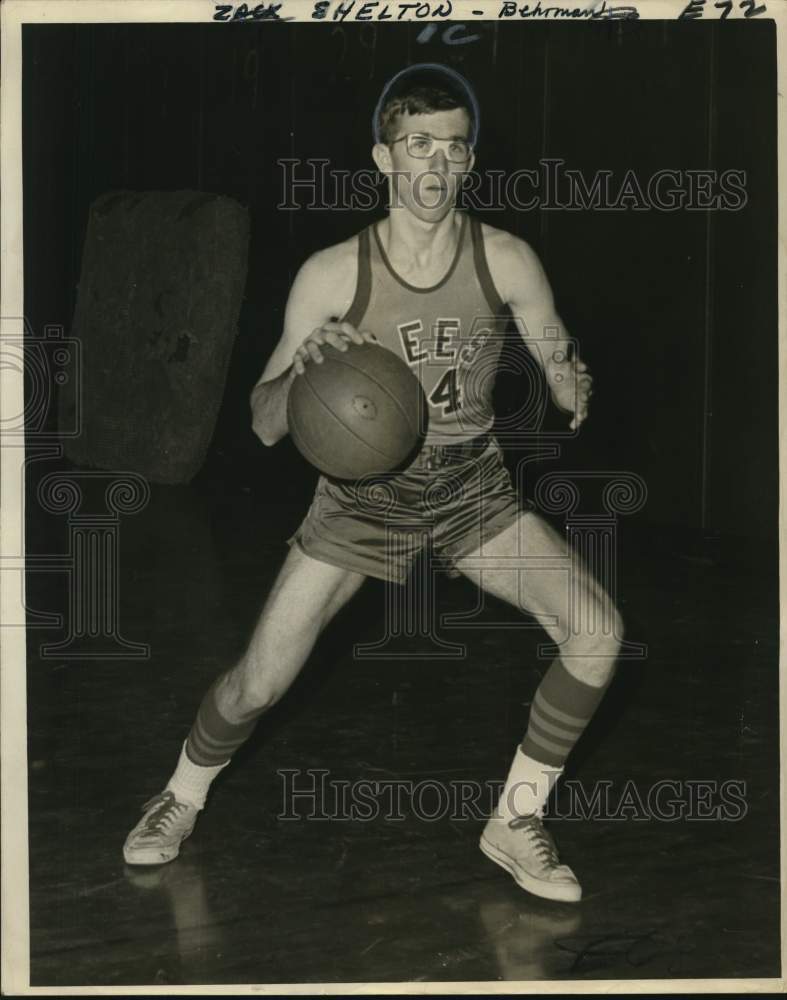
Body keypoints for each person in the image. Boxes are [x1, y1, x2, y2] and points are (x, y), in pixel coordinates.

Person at [123, 63, 619, 904]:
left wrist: (572, 382)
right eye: (417, 145)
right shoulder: (329, 276)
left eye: (453, 149)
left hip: (470, 490)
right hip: (361, 500)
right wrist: (302, 376)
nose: (435, 164)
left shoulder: (505, 258)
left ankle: (515, 818)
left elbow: (555, 350)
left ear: (469, 161)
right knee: (257, 683)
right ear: (382, 159)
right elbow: (262, 419)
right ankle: (180, 795)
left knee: (597, 633)